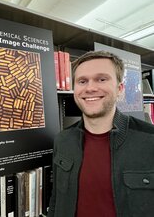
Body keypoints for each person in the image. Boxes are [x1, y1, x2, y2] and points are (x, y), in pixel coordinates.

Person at [47, 50, 154, 217]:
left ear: (120, 89)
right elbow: (56, 200)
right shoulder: (62, 140)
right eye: (82, 81)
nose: (90, 88)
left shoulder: (149, 140)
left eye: (101, 79)